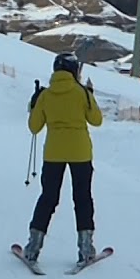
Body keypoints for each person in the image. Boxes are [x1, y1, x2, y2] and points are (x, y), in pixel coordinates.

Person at [22, 52, 103, 264]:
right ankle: (85, 249)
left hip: (53, 154)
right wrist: (91, 96)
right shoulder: (82, 93)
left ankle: (33, 247)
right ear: (74, 70)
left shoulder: (46, 95)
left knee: (48, 198)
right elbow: (96, 120)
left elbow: (34, 127)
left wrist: (33, 105)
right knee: (82, 199)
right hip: (80, 153)